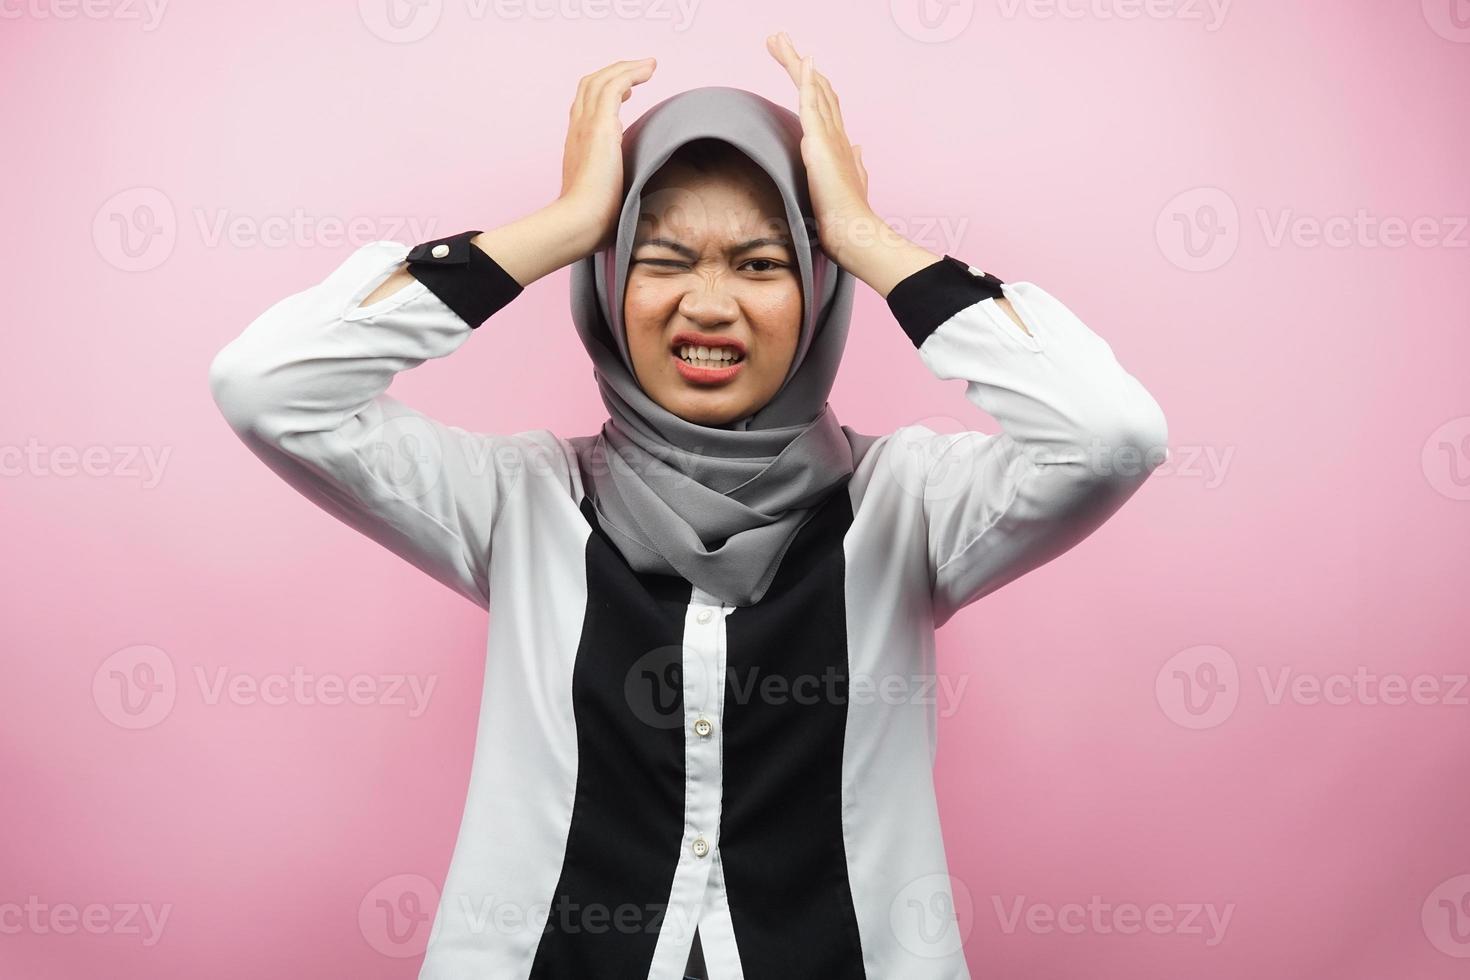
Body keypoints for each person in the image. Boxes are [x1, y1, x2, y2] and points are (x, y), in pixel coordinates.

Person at [208, 32, 1168, 980]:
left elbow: (1110, 436)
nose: (709, 306)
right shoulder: (521, 504)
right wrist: (558, 226)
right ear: (608, 277)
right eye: (661, 260)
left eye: (761, 264)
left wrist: (868, 237)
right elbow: (269, 387)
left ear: (819, 282)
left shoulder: (908, 508)